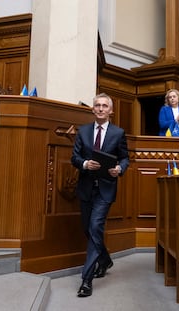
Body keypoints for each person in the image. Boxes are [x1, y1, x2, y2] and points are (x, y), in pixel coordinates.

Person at [71, 93, 129, 297]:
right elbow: (75, 157)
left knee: (96, 226)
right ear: (93, 109)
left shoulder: (118, 133)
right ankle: (104, 259)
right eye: (98, 105)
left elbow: (124, 159)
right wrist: (85, 164)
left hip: (106, 188)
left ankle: (86, 280)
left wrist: (119, 170)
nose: (101, 108)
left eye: (105, 106)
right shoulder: (84, 131)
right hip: (86, 187)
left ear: (110, 110)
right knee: (88, 229)